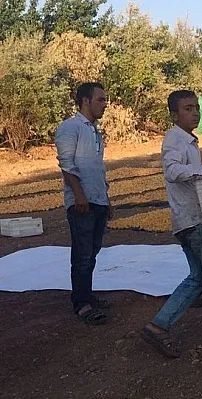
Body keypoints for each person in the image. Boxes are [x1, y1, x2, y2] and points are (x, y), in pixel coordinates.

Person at [141, 90, 202, 358]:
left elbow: (194, 185)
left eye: (196, 107)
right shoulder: (175, 139)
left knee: (198, 278)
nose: (195, 112)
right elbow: (172, 172)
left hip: (196, 219)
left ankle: (158, 326)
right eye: (187, 108)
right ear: (174, 115)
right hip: (193, 222)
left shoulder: (190, 142)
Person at [55, 82, 111, 325]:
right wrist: (79, 195)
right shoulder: (70, 127)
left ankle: (86, 294)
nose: (104, 104)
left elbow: (97, 168)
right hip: (82, 203)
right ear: (86, 101)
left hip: (97, 199)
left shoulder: (95, 131)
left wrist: (107, 199)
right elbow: (66, 164)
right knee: (82, 254)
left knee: (93, 251)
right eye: (100, 99)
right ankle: (81, 303)